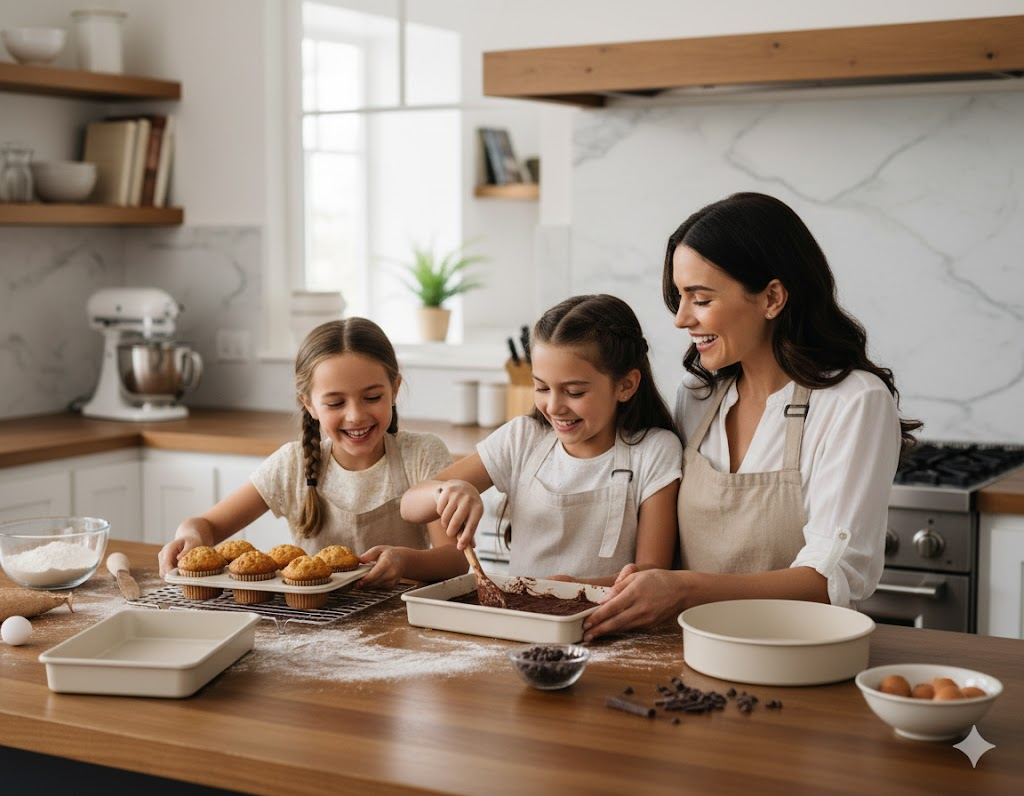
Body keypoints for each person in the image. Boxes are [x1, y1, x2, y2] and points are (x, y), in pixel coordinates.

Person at [583, 192, 921, 640]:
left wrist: (685, 591)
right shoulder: (700, 394)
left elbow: (827, 582)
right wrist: (582, 591)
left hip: (798, 662)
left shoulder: (853, 401)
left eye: (700, 299)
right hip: (689, 655)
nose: (681, 319)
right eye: (679, 298)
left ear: (772, 298)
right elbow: (662, 562)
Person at [158, 318, 467, 589]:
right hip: (311, 626)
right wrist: (191, 537)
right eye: (336, 403)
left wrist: (404, 560)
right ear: (308, 403)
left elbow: (454, 559)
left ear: (395, 389)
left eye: (372, 397)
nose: (356, 415)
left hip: (400, 624)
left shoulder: (422, 455)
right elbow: (206, 526)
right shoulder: (291, 465)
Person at [401, 294, 682, 586]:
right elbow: (409, 505)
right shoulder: (523, 438)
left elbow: (652, 574)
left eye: (574, 392)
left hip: (611, 623)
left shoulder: (654, 451)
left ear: (625, 385)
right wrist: (447, 492)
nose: (554, 406)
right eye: (542, 387)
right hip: (521, 624)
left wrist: (571, 589)